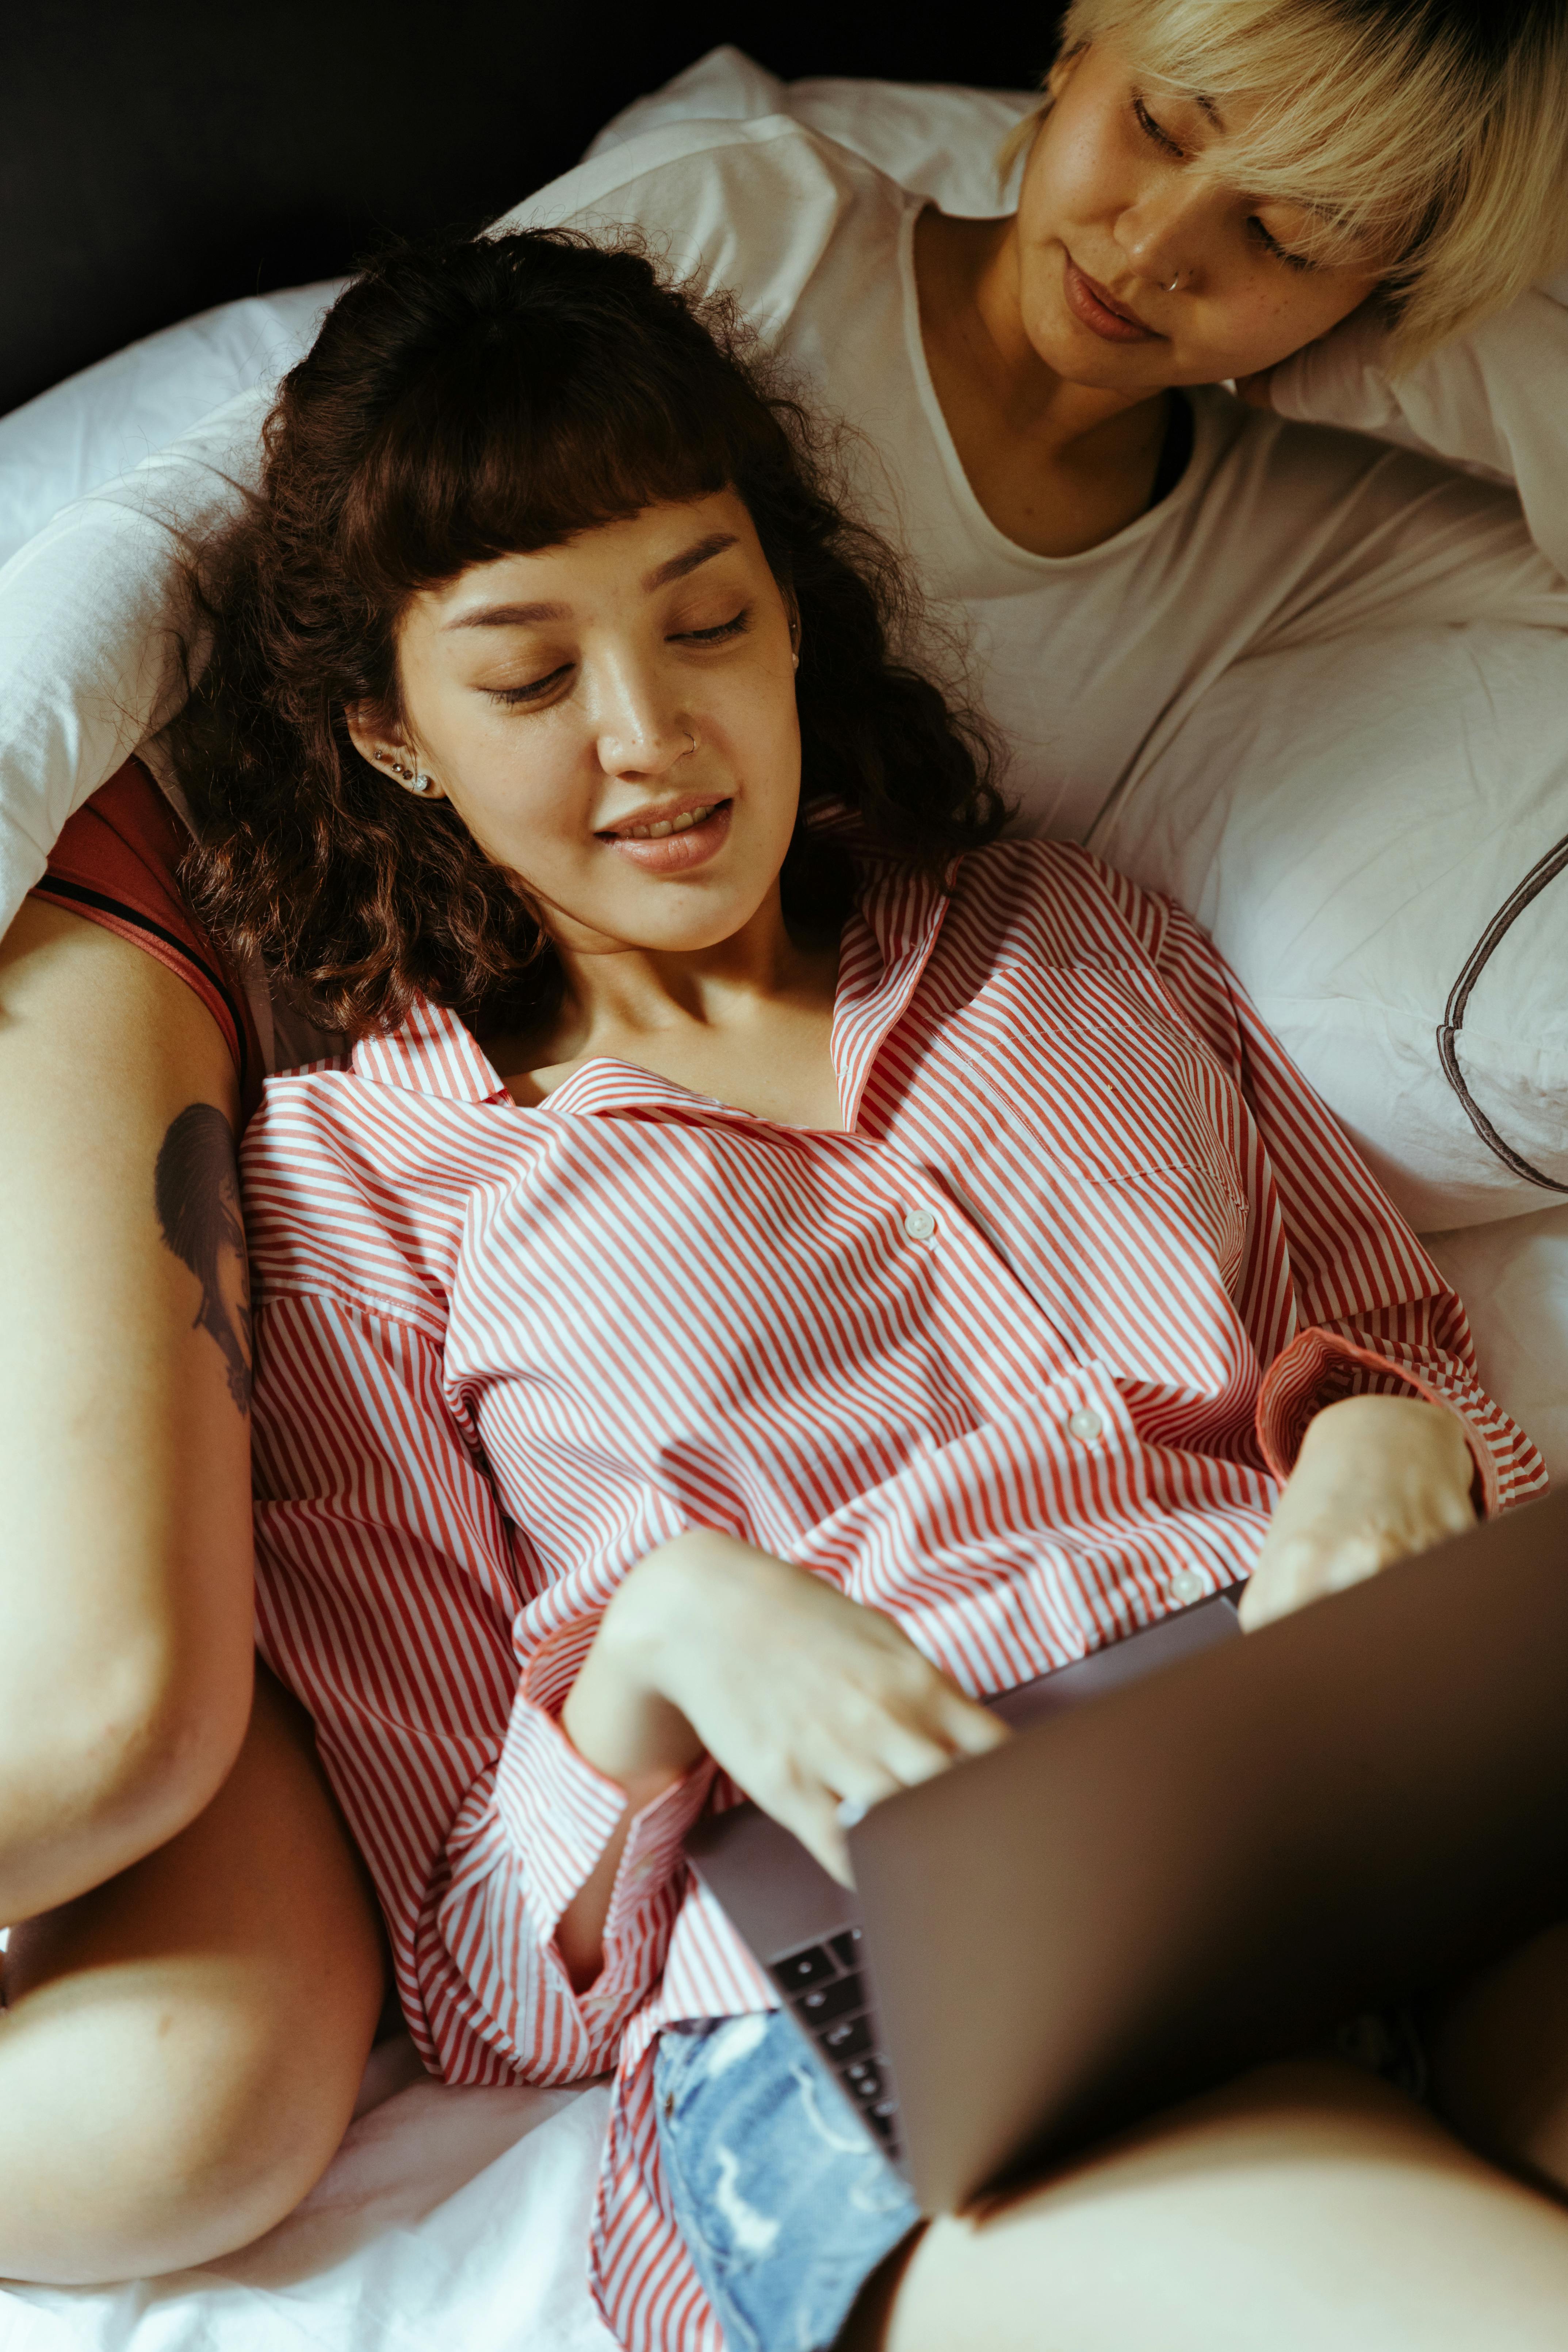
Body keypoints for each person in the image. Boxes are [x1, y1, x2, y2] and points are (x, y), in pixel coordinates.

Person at [4, 0, 1567, 2283]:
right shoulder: (358, 1183)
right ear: (397, 736)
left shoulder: (1071, 927)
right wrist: (656, 1646)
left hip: (1351, 1802)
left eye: (711, 626)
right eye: (530, 680)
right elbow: (479, 1975)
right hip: (887, 1999)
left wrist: (1386, 1446)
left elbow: (1381, 1337)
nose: (650, 740)